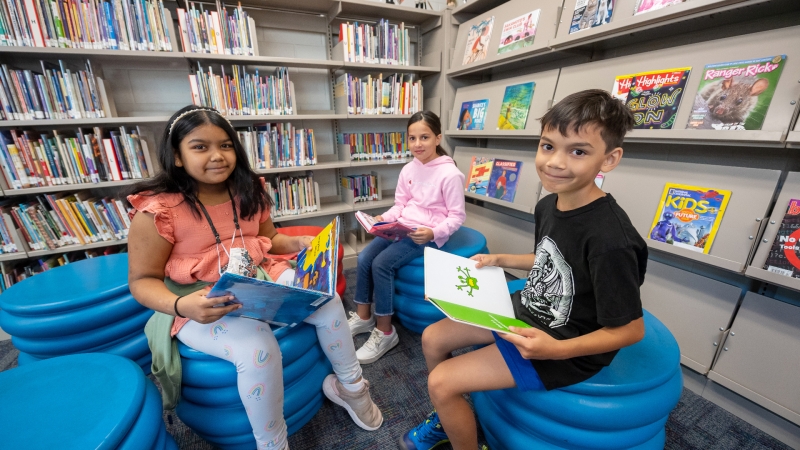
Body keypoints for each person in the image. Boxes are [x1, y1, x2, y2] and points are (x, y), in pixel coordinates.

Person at [400, 89, 647, 450]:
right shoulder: (550, 204)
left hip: (566, 343)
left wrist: (555, 351)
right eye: (548, 146)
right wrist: (498, 259)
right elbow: (551, 259)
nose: (555, 162)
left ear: (609, 159)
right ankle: (448, 415)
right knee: (432, 337)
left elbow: (631, 330)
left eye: (577, 151)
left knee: (441, 382)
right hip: (527, 314)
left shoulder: (612, 240)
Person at [126, 105, 382, 450]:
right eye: (200, 146)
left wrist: (296, 242)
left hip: (258, 279)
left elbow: (268, 238)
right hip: (200, 301)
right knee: (257, 348)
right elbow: (141, 281)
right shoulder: (158, 212)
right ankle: (273, 444)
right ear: (176, 156)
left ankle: (352, 388)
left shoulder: (249, 189)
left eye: (226, 145)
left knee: (326, 297)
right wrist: (182, 305)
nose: (217, 156)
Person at [348, 111, 466, 364]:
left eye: (424, 137)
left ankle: (385, 331)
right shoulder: (409, 168)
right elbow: (400, 204)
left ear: (438, 138)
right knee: (365, 257)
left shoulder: (450, 174)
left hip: (426, 234)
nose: (417, 144)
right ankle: (363, 315)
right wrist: (384, 218)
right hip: (401, 226)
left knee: (382, 264)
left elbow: (457, 216)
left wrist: (434, 232)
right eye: (412, 138)